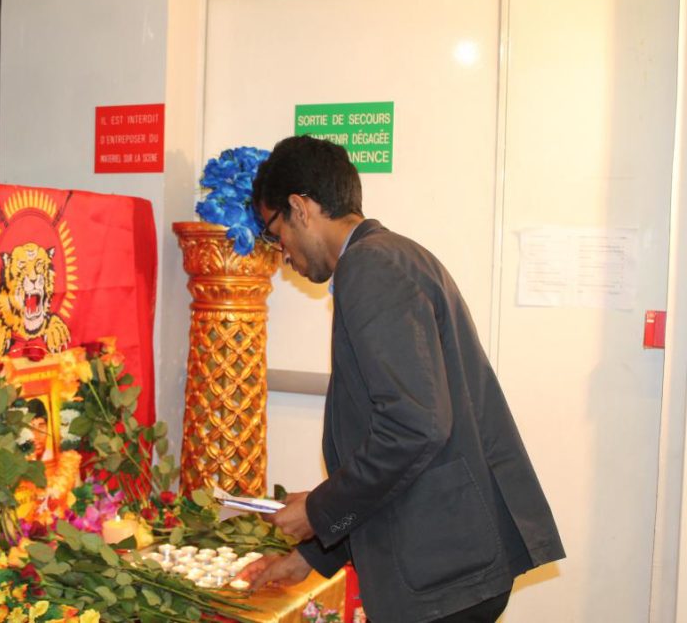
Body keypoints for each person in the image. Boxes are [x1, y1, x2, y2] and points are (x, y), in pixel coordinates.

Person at [239, 135, 564, 623]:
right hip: (451, 553)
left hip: (438, 563)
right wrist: (310, 558)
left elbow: (415, 427)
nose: (280, 252)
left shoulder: (370, 267)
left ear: (300, 208)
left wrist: (319, 511)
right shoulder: (398, 255)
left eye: (273, 231)